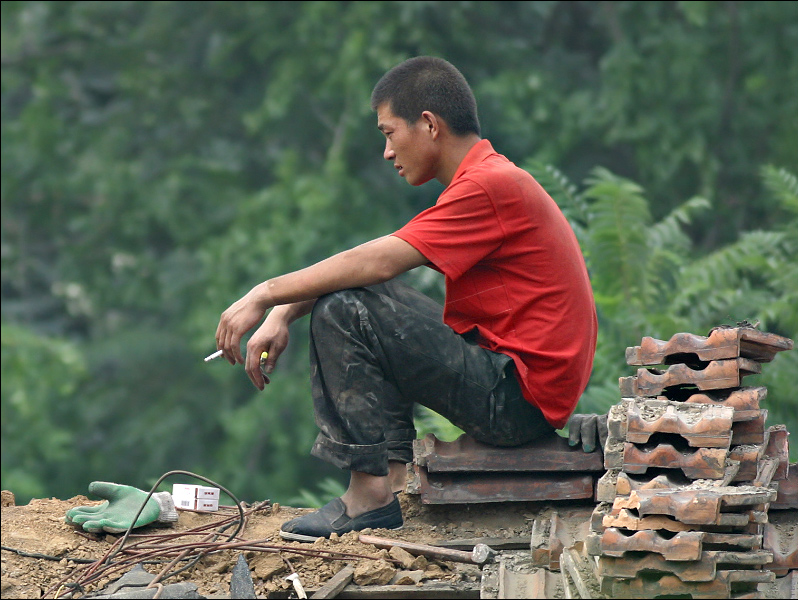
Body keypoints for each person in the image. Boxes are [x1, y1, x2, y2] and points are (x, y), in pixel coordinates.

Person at [214, 56, 598, 542]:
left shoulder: (490, 186)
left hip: (516, 399)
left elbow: (377, 262)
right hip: (516, 388)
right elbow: (373, 265)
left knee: (346, 309)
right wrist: (284, 313)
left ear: (430, 125)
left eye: (389, 133)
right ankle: (392, 476)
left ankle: (369, 494)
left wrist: (264, 293)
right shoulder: (487, 181)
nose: (387, 152)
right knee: (360, 300)